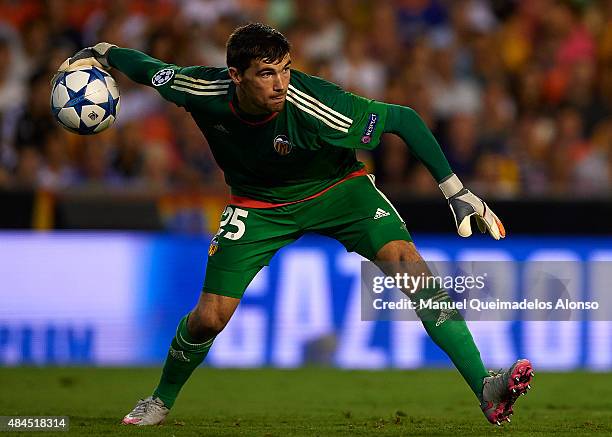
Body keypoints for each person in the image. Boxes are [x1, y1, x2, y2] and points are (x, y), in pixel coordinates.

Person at [56, 23, 533, 427]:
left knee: (410, 267)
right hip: (258, 207)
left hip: (338, 191)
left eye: (285, 69)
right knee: (209, 318)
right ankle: (160, 399)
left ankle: (486, 387)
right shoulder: (201, 89)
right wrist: (103, 51)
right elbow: (149, 69)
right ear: (236, 76)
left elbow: (403, 120)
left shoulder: (314, 103)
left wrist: (457, 192)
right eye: (267, 74)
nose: (281, 83)